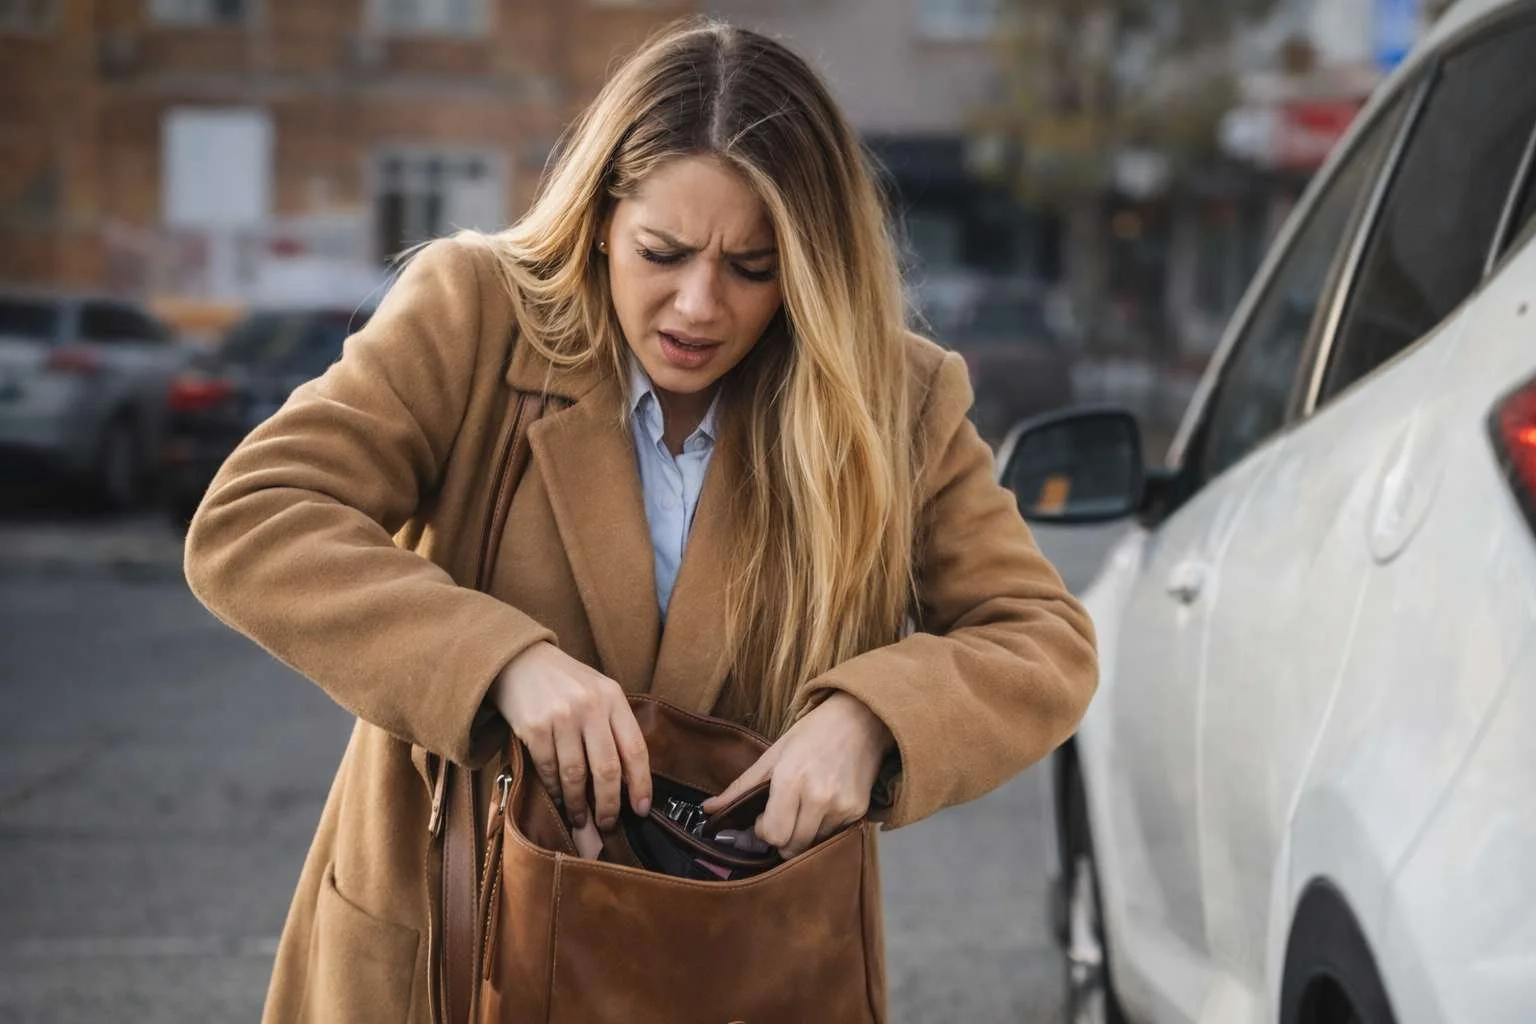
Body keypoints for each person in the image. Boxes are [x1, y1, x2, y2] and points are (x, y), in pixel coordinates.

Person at [184, 18, 1098, 1022]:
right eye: (663, 252)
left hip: (739, 971)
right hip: (448, 955)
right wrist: (502, 662)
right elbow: (256, 517)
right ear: (602, 216)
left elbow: (1040, 638)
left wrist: (873, 718)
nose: (699, 306)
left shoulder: (898, 400)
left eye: (754, 267)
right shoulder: (476, 312)